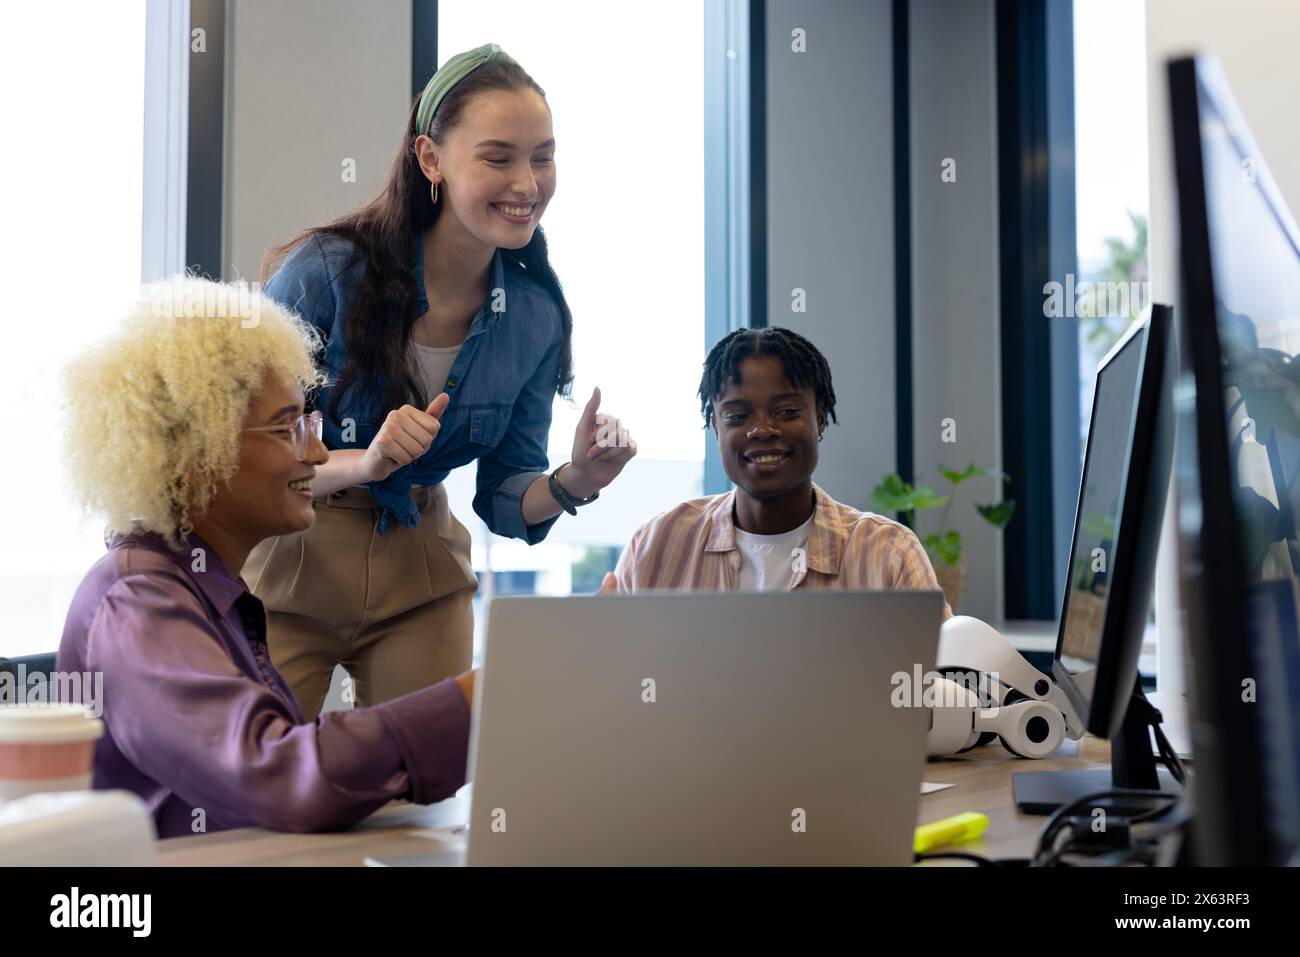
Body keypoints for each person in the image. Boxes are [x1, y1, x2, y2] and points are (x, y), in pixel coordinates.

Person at [248, 43, 636, 719]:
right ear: (431, 159)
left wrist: (578, 478)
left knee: (422, 801)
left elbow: (506, 500)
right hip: (295, 550)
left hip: (421, 566)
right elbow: (248, 454)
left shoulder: (537, 315)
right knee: (261, 786)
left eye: (543, 156)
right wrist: (364, 462)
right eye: (498, 157)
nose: (527, 183)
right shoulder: (323, 275)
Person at [56, 279, 473, 837]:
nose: (318, 452)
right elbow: (280, 777)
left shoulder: (201, 590)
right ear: (201, 452)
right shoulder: (138, 600)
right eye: (287, 428)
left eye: (311, 424)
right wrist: (477, 702)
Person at [603, 327, 951, 616]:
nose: (762, 430)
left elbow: (945, 683)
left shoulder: (888, 553)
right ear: (715, 429)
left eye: (786, 412)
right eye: (738, 416)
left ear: (819, 418)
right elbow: (612, 674)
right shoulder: (658, 544)